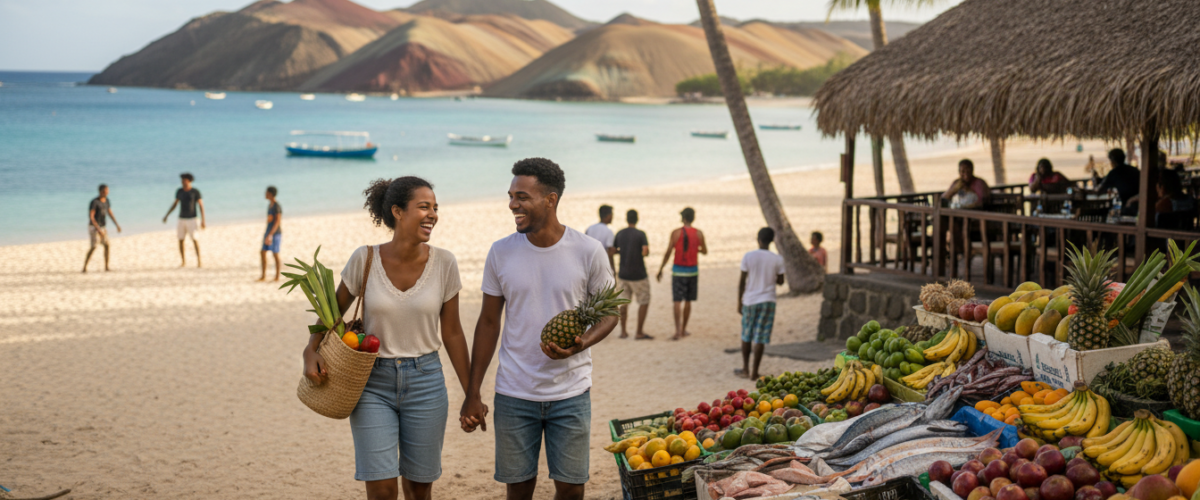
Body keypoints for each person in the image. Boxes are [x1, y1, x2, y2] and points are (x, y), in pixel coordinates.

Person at [302, 176, 473, 500]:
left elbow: (452, 332)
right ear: (397, 211)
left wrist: (471, 393)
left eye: (435, 208)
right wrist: (310, 350)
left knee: (419, 489)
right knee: (381, 489)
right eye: (424, 207)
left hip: (427, 382)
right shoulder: (364, 259)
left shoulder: (444, 263)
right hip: (371, 384)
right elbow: (329, 314)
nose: (433, 214)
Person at [459, 158, 616, 500]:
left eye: (522, 196)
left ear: (551, 200)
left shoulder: (588, 251)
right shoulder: (500, 252)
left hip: (571, 391)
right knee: (518, 489)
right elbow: (488, 323)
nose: (513, 204)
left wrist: (580, 343)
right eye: (511, 196)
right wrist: (473, 392)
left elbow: (610, 313)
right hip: (515, 391)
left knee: (572, 489)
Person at [736, 228, 785, 380]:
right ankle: (755, 372)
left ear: (758, 238)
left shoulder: (749, 256)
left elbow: (742, 281)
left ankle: (745, 368)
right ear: (772, 241)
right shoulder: (777, 259)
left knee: (746, 335)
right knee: (760, 337)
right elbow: (781, 281)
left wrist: (739, 301)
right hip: (768, 300)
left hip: (750, 300)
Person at [656, 207, 706, 341]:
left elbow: (668, 252)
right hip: (692, 271)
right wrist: (697, 250)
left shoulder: (675, 233)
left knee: (677, 300)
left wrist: (661, 268)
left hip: (678, 271)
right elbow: (705, 250)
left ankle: (677, 330)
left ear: (683, 218)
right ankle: (684, 329)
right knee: (688, 300)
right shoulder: (699, 233)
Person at [614, 209, 652, 340]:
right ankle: (639, 332)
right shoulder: (641, 234)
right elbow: (645, 251)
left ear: (626, 219)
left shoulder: (620, 234)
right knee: (644, 301)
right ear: (637, 219)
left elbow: (614, 250)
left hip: (623, 274)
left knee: (623, 303)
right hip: (639, 274)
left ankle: (623, 331)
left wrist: (623, 252)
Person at [163, 172, 206, 267]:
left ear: (189, 181)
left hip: (192, 219)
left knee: (195, 239)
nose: (182, 182)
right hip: (181, 218)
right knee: (180, 240)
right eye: (182, 180)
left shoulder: (195, 192)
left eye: (184, 180)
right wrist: (167, 215)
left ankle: (199, 261)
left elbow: (201, 206)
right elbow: (175, 204)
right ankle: (183, 262)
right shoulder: (179, 191)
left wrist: (203, 220)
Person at [83, 183, 121, 273]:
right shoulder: (95, 202)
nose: (108, 191)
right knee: (94, 247)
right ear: (101, 191)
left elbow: (110, 213)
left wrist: (116, 224)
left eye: (108, 190)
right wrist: (98, 229)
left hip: (103, 227)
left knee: (107, 245)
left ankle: (106, 267)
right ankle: (85, 267)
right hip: (94, 227)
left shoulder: (107, 201)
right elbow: (91, 217)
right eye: (106, 190)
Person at [259, 186, 283, 282]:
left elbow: (277, 222)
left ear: (270, 194)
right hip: (268, 232)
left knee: (275, 254)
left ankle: (277, 276)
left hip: (275, 233)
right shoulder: (270, 205)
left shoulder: (277, 206)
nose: (265, 194)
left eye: (266, 192)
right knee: (263, 252)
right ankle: (263, 275)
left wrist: (270, 235)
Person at [584, 204, 616, 272]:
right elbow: (610, 252)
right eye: (612, 214)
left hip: (589, 266)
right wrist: (612, 269)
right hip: (602, 268)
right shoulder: (609, 231)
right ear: (608, 216)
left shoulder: (590, 228)